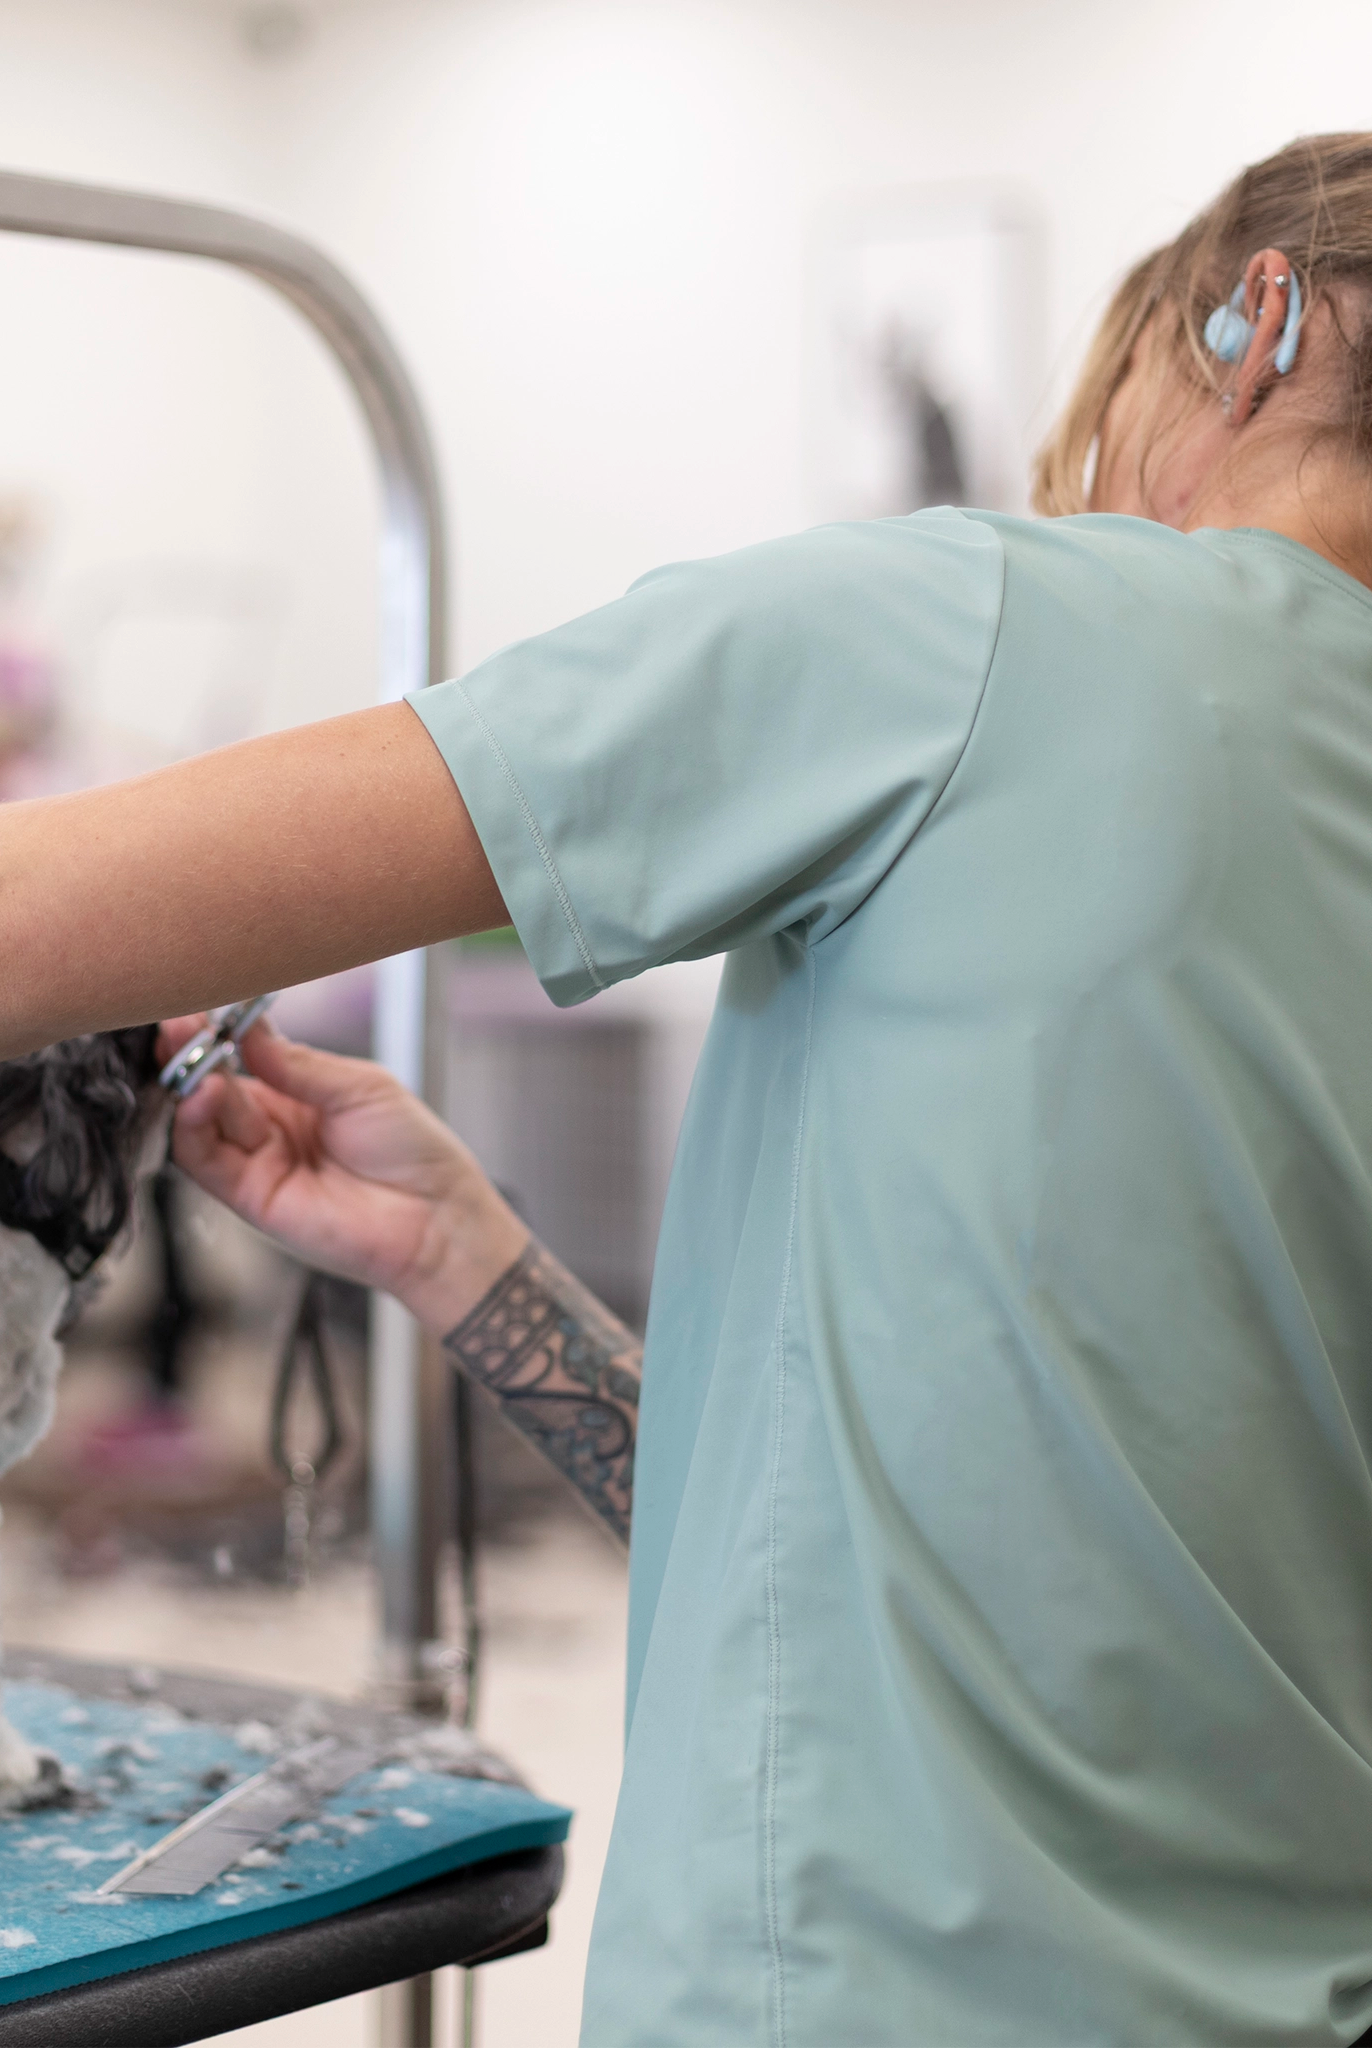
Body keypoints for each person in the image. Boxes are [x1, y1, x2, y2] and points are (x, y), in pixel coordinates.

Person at [8, 129, 1372, 2043]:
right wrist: (470, 1265)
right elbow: (1012, 1565)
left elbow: (39, 919)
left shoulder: (993, 627)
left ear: (1260, 323)